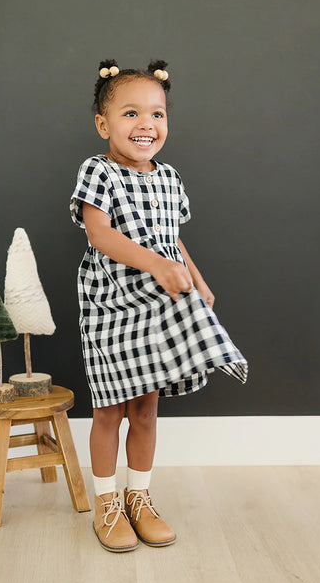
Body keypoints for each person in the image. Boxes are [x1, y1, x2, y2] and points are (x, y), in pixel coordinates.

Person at [70, 59, 248, 552]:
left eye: (157, 114)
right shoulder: (99, 171)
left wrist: (194, 276)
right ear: (104, 125)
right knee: (109, 409)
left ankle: (138, 498)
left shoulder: (168, 178)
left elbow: (173, 239)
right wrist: (155, 264)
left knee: (145, 409)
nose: (146, 125)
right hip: (111, 304)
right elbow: (99, 234)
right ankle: (107, 505)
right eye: (130, 114)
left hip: (158, 303)